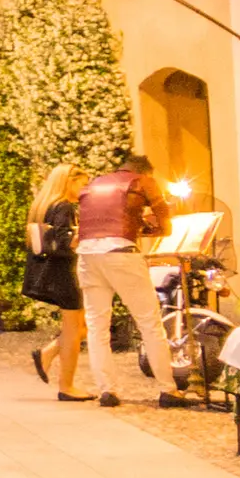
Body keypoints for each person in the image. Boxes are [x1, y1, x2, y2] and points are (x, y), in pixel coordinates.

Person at [71, 150, 168, 399]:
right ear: (144, 170)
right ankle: (169, 388)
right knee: (149, 322)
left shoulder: (94, 184)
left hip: (87, 255)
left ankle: (107, 390)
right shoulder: (142, 181)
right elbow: (164, 221)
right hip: (121, 253)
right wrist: (152, 228)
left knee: (97, 326)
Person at [26, 162, 89, 399]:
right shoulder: (64, 207)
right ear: (69, 182)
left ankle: (47, 353)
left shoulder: (43, 205)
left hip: (48, 271)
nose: (84, 190)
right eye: (82, 184)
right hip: (63, 272)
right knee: (75, 329)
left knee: (80, 327)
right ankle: (66, 386)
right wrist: (84, 233)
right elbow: (64, 241)